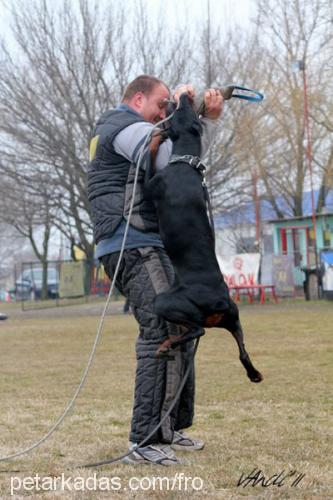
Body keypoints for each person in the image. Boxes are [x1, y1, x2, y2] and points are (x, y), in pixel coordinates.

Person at [87, 75, 223, 465]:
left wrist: (195, 118)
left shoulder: (135, 126)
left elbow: (185, 160)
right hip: (131, 244)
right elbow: (168, 161)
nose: (164, 112)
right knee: (161, 330)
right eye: (161, 104)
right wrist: (186, 109)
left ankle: (169, 428)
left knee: (184, 325)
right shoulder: (121, 126)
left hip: (149, 241)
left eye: (168, 107)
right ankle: (143, 441)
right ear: (138, 98)